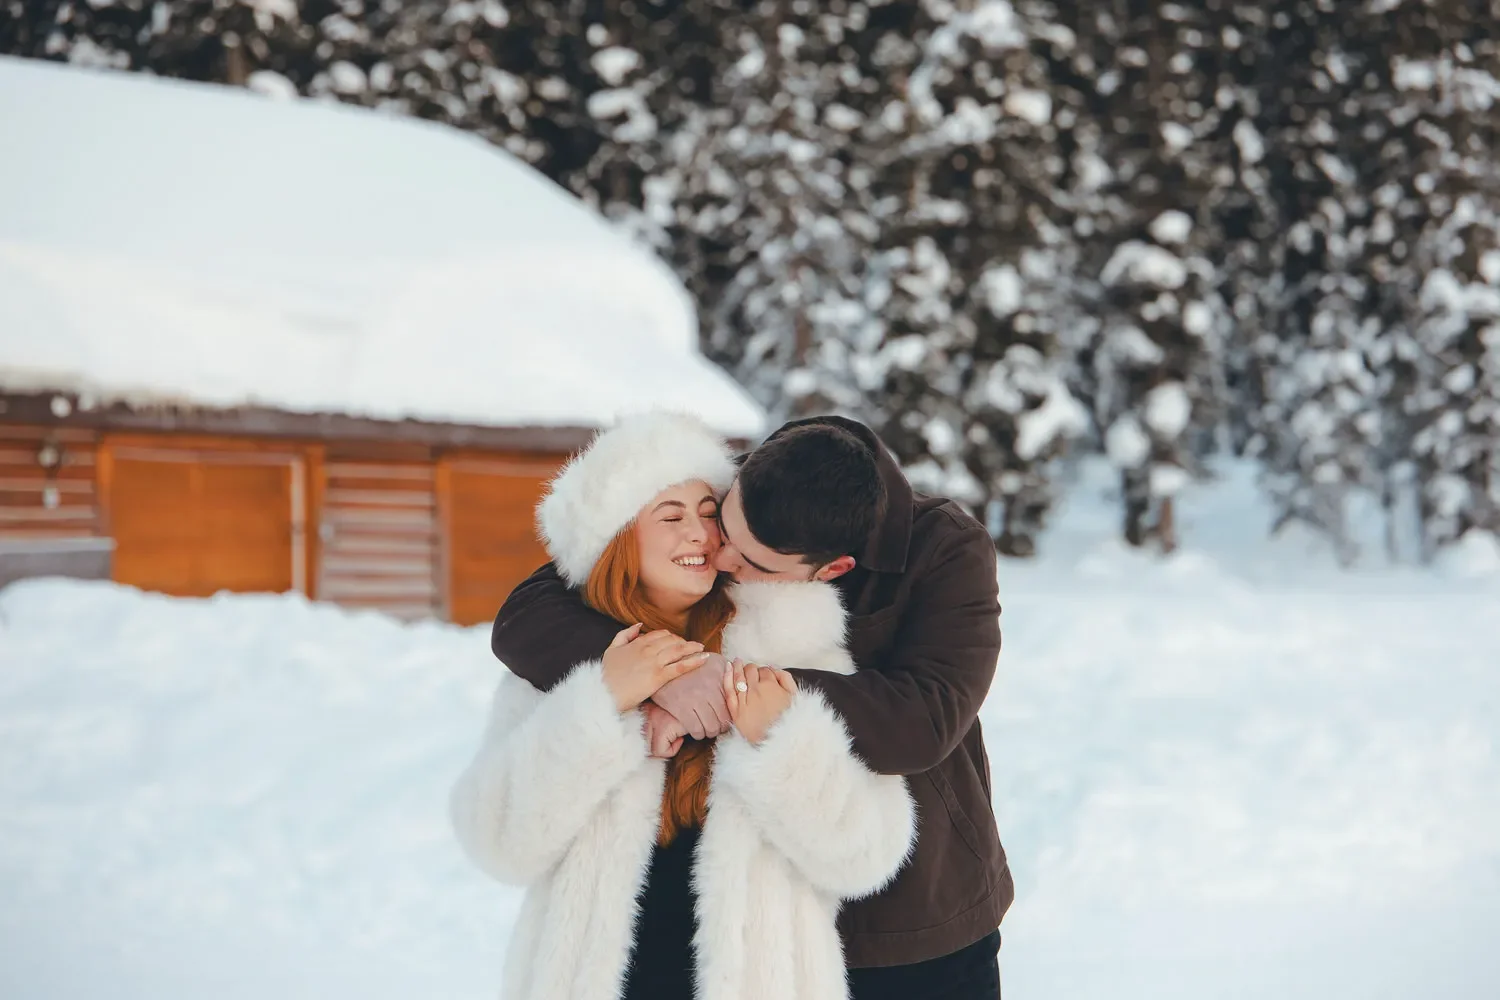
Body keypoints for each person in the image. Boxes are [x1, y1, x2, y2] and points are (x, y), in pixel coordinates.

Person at [493, 414, 1012, 999]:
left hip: (910, 914)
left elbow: (923, 720)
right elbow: (530, 611)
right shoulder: (734, 498)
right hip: (762, 909)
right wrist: (655, 675)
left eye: (753, 564)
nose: (718, 558)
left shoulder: (946, 550)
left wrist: (736, 687)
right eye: (725, 529)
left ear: (835, 570)